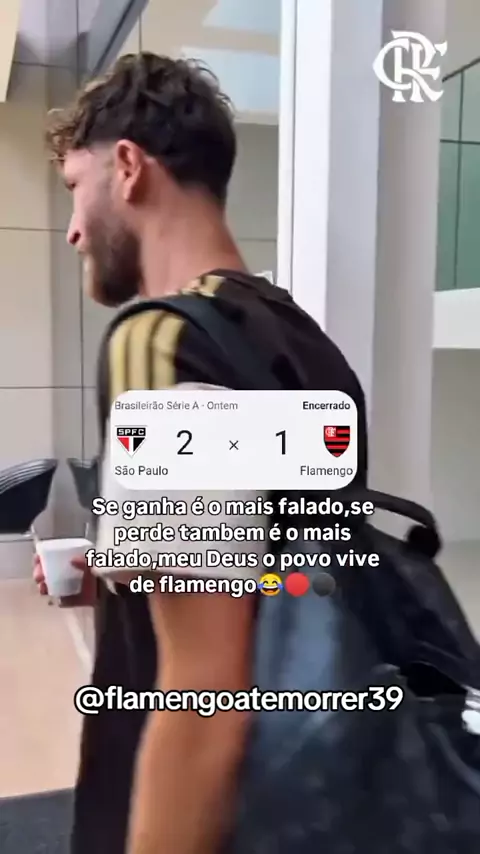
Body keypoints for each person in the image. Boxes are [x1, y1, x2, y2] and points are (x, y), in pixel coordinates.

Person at [33, 52, 368, 854]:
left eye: (75, 187)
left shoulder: (163, 343)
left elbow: (205, 692)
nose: (73, 229)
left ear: (127, 167)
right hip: (306, 795)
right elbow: (280, 571)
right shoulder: (302, 343)